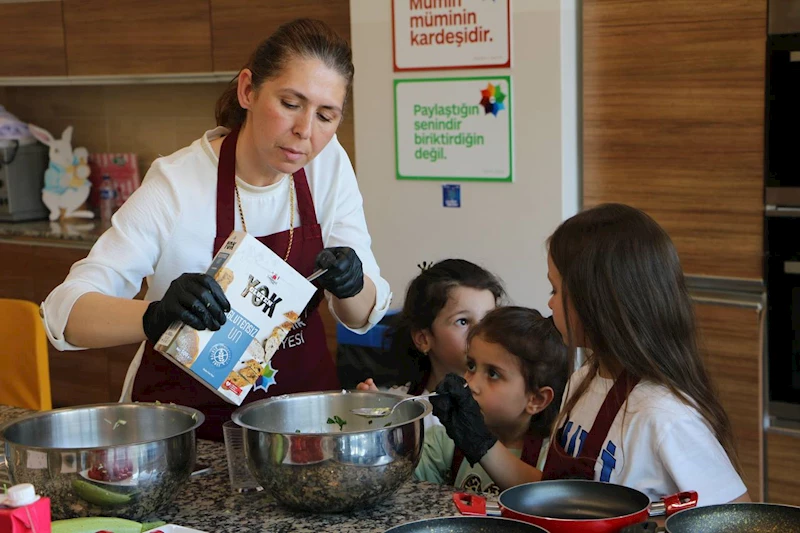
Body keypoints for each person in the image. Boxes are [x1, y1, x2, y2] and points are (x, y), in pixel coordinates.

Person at [40, 18, 391, 441]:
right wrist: (155, 316)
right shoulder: (177, 182)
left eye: (326, 115)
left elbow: (362, 316)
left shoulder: (326, 163)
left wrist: (353, 282)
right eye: (290, 103)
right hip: (185, 433)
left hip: (300, 431)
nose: (306, 131)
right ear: (248, 90)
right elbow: (65, 313)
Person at [431, 203, 750, 507]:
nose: (550, 305)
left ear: (598, 302)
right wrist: (480, 443)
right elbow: (555, 500)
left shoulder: (662, 415)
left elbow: (735, 518)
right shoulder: (585, 379)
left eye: (556, 291)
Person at [416, 306, 569, 495]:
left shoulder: (553, 457)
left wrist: (480, 442)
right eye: (471, 366)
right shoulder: (445, 441)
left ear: (536, 400)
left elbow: (549, 501)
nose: (471, 384)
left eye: (493, 374)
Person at [356, 259, 504, 429]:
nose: (480, 333)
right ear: (423, 339)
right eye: (463, 322)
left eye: (488, 320)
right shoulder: (401, 407)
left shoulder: (502, 406)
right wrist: (383, 423)